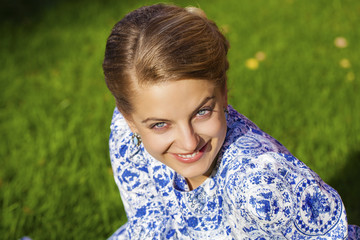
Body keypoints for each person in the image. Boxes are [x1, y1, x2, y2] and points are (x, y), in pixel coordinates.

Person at [102, 3, 360, 239]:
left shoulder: (259, 188)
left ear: (224, 91)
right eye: (160, 125)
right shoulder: (128, 132)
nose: (189, 142)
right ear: (129, 118)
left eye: (201, 112)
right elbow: (146, 221)